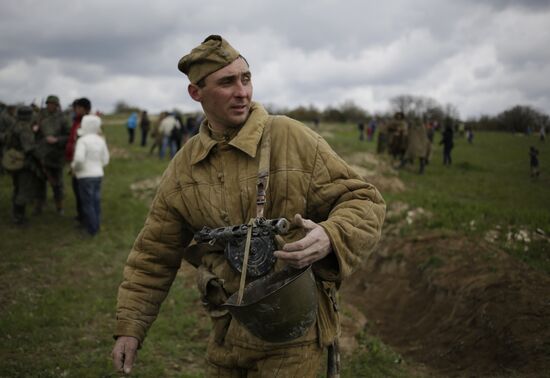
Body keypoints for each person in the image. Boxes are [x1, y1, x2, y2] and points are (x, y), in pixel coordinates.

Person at [112, 35, 386, 377]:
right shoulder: (184, 168)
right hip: (228, 332)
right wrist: (130, 327)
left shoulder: (290, 137)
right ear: (196, 93)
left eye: (246, 78)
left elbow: (364, 200)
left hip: (295, 332)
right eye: (227, 82)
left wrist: (331, 235)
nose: (242, 92)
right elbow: (154, 254)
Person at [2, 106, 43, 225]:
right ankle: (19, 217)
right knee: (24, 189)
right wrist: (40, 155)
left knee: (17, 187)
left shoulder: (14, 125)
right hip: (24, 163)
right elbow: (29, 148)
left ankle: (15, 213)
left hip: (13, 161)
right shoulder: (25, 128)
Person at [70, 114, 109, 235]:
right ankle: (96, 225)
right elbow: (106, 159)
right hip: (98, 175)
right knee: (95, 202)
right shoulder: (100, 140)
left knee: (87, 203)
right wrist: (97, 167)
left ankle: (91, 230)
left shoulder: (82, 140)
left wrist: (75, 168)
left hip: (85, 176)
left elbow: (79, 159)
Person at [34, 95, 70, 215]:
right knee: (39, 183)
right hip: (41, 155)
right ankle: (39, 206)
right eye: (48, 103)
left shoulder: (63, 118)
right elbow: (32, 133)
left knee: (57, 183)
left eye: (52, 104)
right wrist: (34, 129)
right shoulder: (39, 116)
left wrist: (57, 140)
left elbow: (69, 136)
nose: (50, 106)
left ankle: (59, 207)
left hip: (56, 155)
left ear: (57, 105)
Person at [65, 97, 92, 225]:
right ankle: (80, 215)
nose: (75, 109)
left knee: (83, 193)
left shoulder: (89, 123)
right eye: (74, 107)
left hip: (82, 162)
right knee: (77, 190)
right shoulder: (76, 121)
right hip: (74, 160)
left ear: (85, 109)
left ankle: (86, 219)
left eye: (77, 107)